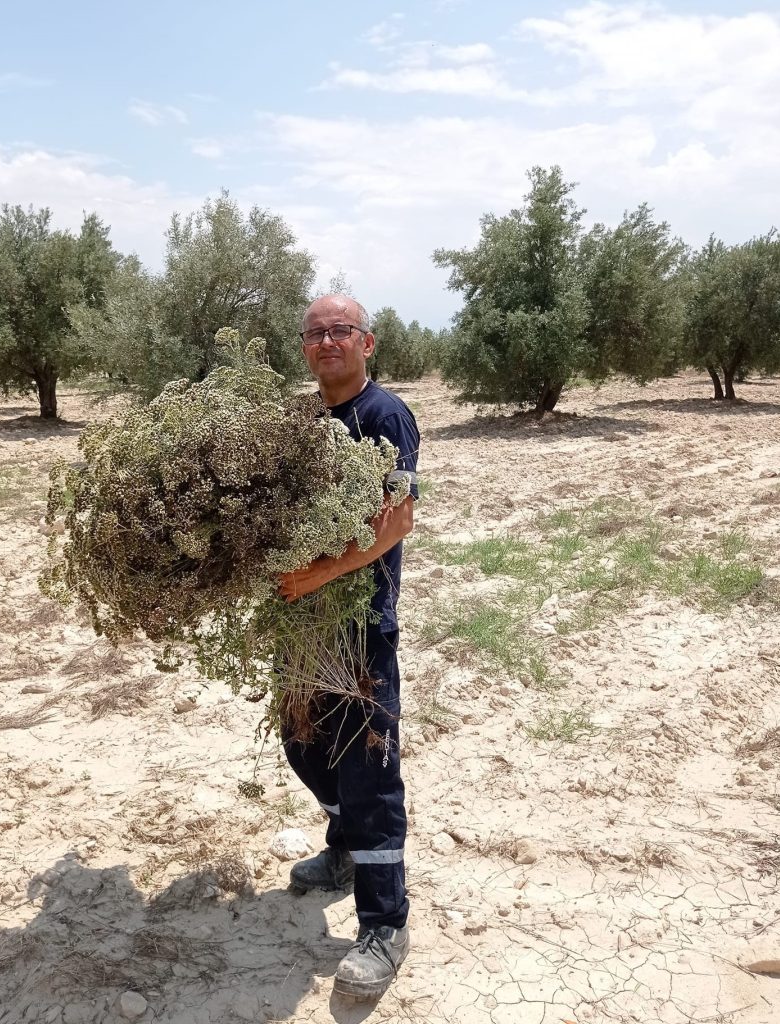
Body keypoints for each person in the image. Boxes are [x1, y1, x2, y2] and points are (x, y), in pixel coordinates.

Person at [278, 294, 419, 1000]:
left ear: (368, 342)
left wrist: (319, 575)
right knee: (302, 746)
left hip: (358, 626)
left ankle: (384, 923)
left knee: (367, 771)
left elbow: (396, 522)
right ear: (304, 347)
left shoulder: (383, 415)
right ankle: (342, 851)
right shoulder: (304, 420)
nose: (327, 341)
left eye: (341, 331)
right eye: (315, 333)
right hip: (300, 626)